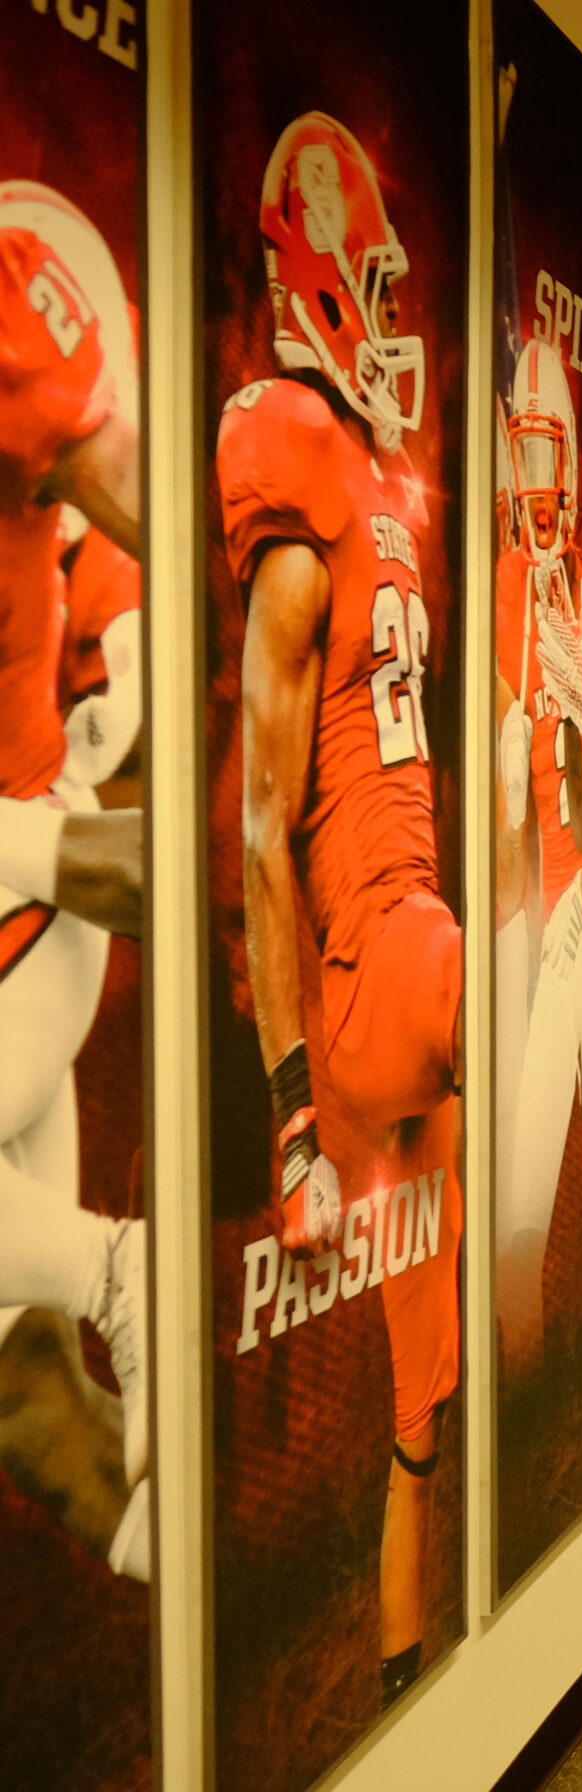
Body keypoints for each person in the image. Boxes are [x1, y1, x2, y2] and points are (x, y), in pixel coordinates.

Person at [219, 112, 460, 1709]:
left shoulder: (372, 492)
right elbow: (256, 821)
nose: (389, 323)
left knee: (419, 1398)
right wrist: (293, 1104)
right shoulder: (298, 482)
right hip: (382, 957)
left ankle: (408, 1677)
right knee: (512, 992)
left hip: (393, 957)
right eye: (363, 284)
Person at [0, 178, 149, 1579]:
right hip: (45, 880)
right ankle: (178, 1554)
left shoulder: (10, 293)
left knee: (71, 1304)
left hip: (25, 901)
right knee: (32, 1398)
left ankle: (123, 1272)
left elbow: (150, 502)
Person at [493, 336, 582, 1385]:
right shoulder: (507, 590)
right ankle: (521, 1332)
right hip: (536, 902)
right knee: (531, 1134)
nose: (541, 490)